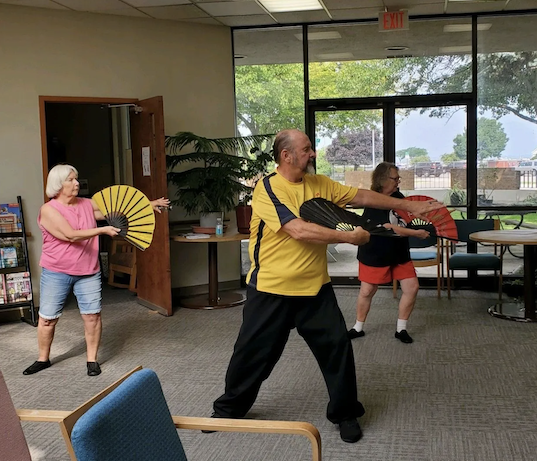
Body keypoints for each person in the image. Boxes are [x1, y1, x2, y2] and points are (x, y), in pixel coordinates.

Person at [211, 129, 444, 443]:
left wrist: (410, 208)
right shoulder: (267, 189)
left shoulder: (318, 184)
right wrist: (348, 237)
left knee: (337, 350)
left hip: (315, 289)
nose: (313, 154)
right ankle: (229, 409)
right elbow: (298, 230)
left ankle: (346, 413)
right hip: (271, 289)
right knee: (253, 354)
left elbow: (360, 196)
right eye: (307, 149)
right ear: (286, 156)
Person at [23, 164, 169, 377]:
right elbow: (71, 235)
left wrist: (149, 204)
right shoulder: (48, 210)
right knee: (47, 318)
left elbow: (117, 209)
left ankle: (92, 360)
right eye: (71, 180)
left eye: (76, 178)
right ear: (58, 185)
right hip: (57, 271)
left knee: (92, 316)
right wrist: (102, 230)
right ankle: (42, 359)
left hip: (88, 270)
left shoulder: (87, 203)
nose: (76, 183)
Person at [348, 162, 430, 344]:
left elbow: (404, 219)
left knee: (412, 288)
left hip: (399, 253)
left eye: (398, 178)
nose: (398, 182)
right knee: (368, 290)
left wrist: (419, 214)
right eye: (395, 178)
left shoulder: (398, 197)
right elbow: (390, 228)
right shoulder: (373, 200)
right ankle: (358, 327)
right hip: (375, 253)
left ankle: (401, 329)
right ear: (382, 179)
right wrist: (417, 233)